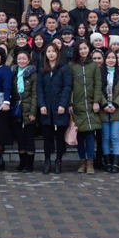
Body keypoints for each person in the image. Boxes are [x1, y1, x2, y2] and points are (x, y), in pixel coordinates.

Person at [70, 40, 102, 174]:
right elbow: (69, 86)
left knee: (89, 134)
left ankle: (90, 163)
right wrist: (70, 103)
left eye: (85, 48)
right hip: (77, 105)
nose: (83, 51)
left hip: (90, 104)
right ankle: (82, 162)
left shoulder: (94, 66)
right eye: (80, 49)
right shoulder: (71, 66)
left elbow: (98, 84)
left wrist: (96, 101)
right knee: (79, 135)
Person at [38, 44, 70, 174]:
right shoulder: (42, 70)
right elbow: (39, 89)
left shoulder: (63, 69)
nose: (51, 54)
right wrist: (42, 105)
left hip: (59, 107)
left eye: (53, 51)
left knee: (60, 137)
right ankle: (47, 162)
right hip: (46, 107)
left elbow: (67, 87)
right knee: (47, 137)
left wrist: (62, 104)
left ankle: (58, 161)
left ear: (57, 53)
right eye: (48, 51)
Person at [98, 48, 119, 173]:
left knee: (115, 137)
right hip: (104, 110)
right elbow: (98, 90)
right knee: (105, 137)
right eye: (108, 58)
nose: (111, 60)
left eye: (113, 58)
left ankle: (116, 162)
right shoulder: (100, 73)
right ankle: (107, 161)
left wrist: (115, 104)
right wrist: (104, 104)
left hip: (117, 109)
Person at [11, 49, 39, 173]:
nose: (21, 61)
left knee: (29, 137)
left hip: (28, 109)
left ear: (28, 60)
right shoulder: (13, 73)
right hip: (17, 108)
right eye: (19, 59)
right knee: (19, 138)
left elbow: (34, 95)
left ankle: (29, 164)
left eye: (24, 59)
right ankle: (21, 163)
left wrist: (33, 112)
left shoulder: (33, 74)